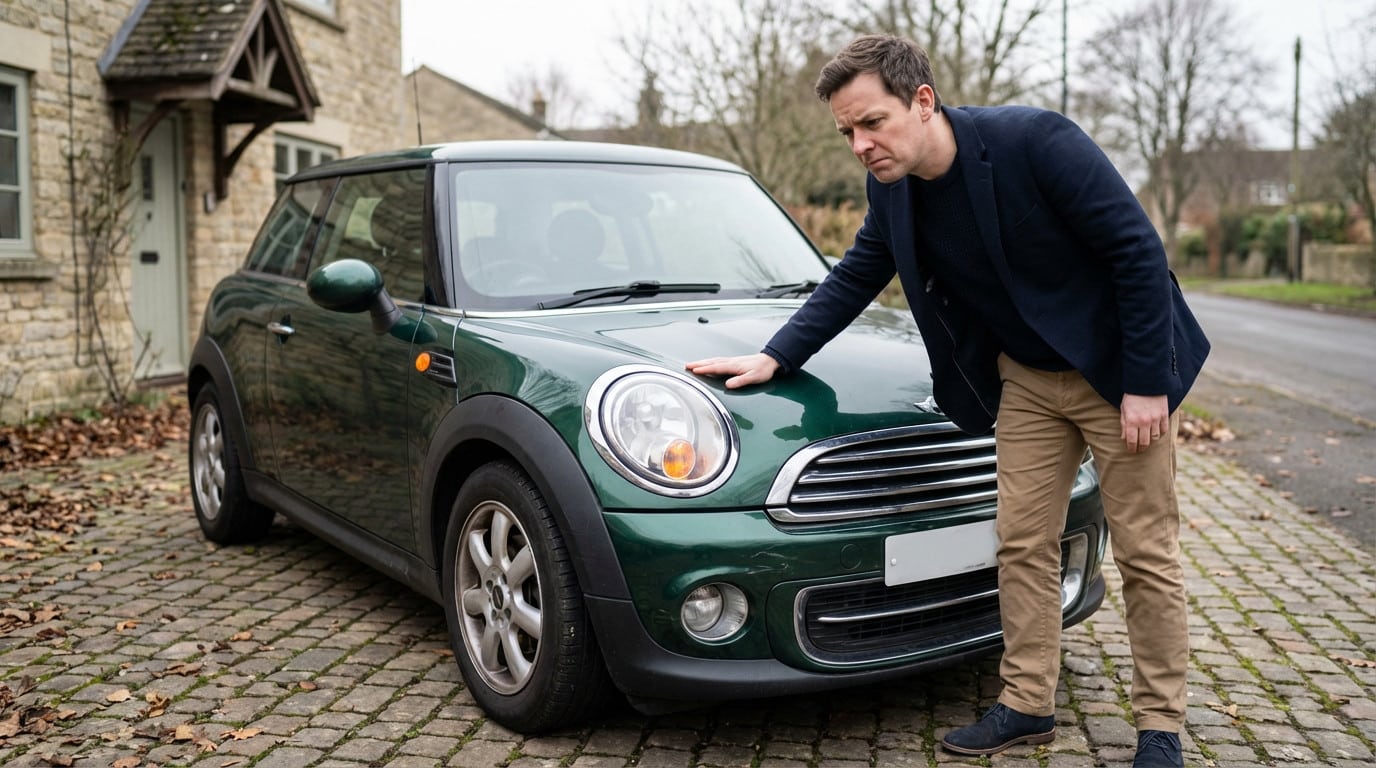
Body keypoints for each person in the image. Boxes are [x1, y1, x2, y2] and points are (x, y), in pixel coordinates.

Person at [685, 34, 1208, 768]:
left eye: (872, 123)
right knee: (1022, 540)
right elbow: (859, 271)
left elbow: (1137, 253)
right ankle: (1026, 704)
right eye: (847, 133)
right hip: (1026, 378)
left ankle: (1160, 728)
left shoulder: (1037, 141)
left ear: (922, 101)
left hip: (1117, 371)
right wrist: (777, 354)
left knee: (1147, 552)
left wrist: (1147, 384)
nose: (861, 145)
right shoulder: (892, 188)